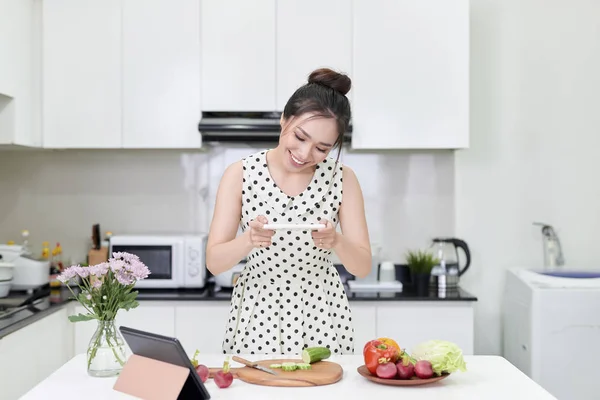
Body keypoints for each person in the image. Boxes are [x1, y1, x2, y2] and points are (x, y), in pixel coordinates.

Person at [206, 68, 372, 356]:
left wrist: (337, 241)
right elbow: (214, 263)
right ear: (284, 119)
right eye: (300, 136)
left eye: (322, 148)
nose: (306, 154)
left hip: (322, 310)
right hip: (258, 310)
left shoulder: (343, 178)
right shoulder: (240, 174)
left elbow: (363, 266)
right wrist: (248, 240)